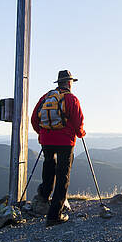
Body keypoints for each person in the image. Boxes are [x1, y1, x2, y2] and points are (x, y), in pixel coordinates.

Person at [30, 70, 85, 227]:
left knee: (48, 166)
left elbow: (35, 118)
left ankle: (43, 195)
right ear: (69, 83)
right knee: (63, 175)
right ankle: (54, 215)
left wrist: (43, 133)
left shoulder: (46, 97)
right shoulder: (71, 99)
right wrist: (81, 133)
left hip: (46, 139)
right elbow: (78, 122)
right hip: (65, 142)